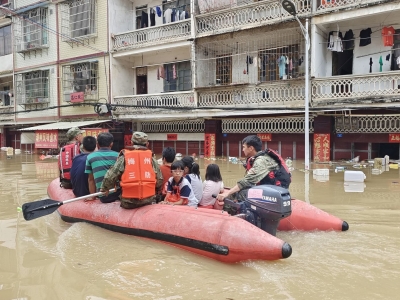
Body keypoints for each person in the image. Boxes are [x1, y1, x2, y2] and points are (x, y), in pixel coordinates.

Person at [100, 132, 163, 209]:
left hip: (128, 202)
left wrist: (105, 188)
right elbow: (159, 179)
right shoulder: (152, 158)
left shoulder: (124, 157)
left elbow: (111, 175)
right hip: (148, 200)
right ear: (147, 144)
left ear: (132, 142)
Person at [216, 135, 282, 203]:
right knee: (241, 190)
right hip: (272, 189)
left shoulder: (261, 161)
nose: (242, 150)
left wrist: (227, 193)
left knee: (241, 194)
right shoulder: (261, 157)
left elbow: (247, 181)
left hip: (273, 193)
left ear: (251, 148)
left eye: (244, 147)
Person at [85, 132, 121, 203]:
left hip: (102, 196)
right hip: (118, 194)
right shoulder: (119, 156)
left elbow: (91, 179)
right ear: (111, 144)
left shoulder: (90, 157)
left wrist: (93, 197)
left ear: (97, 144)